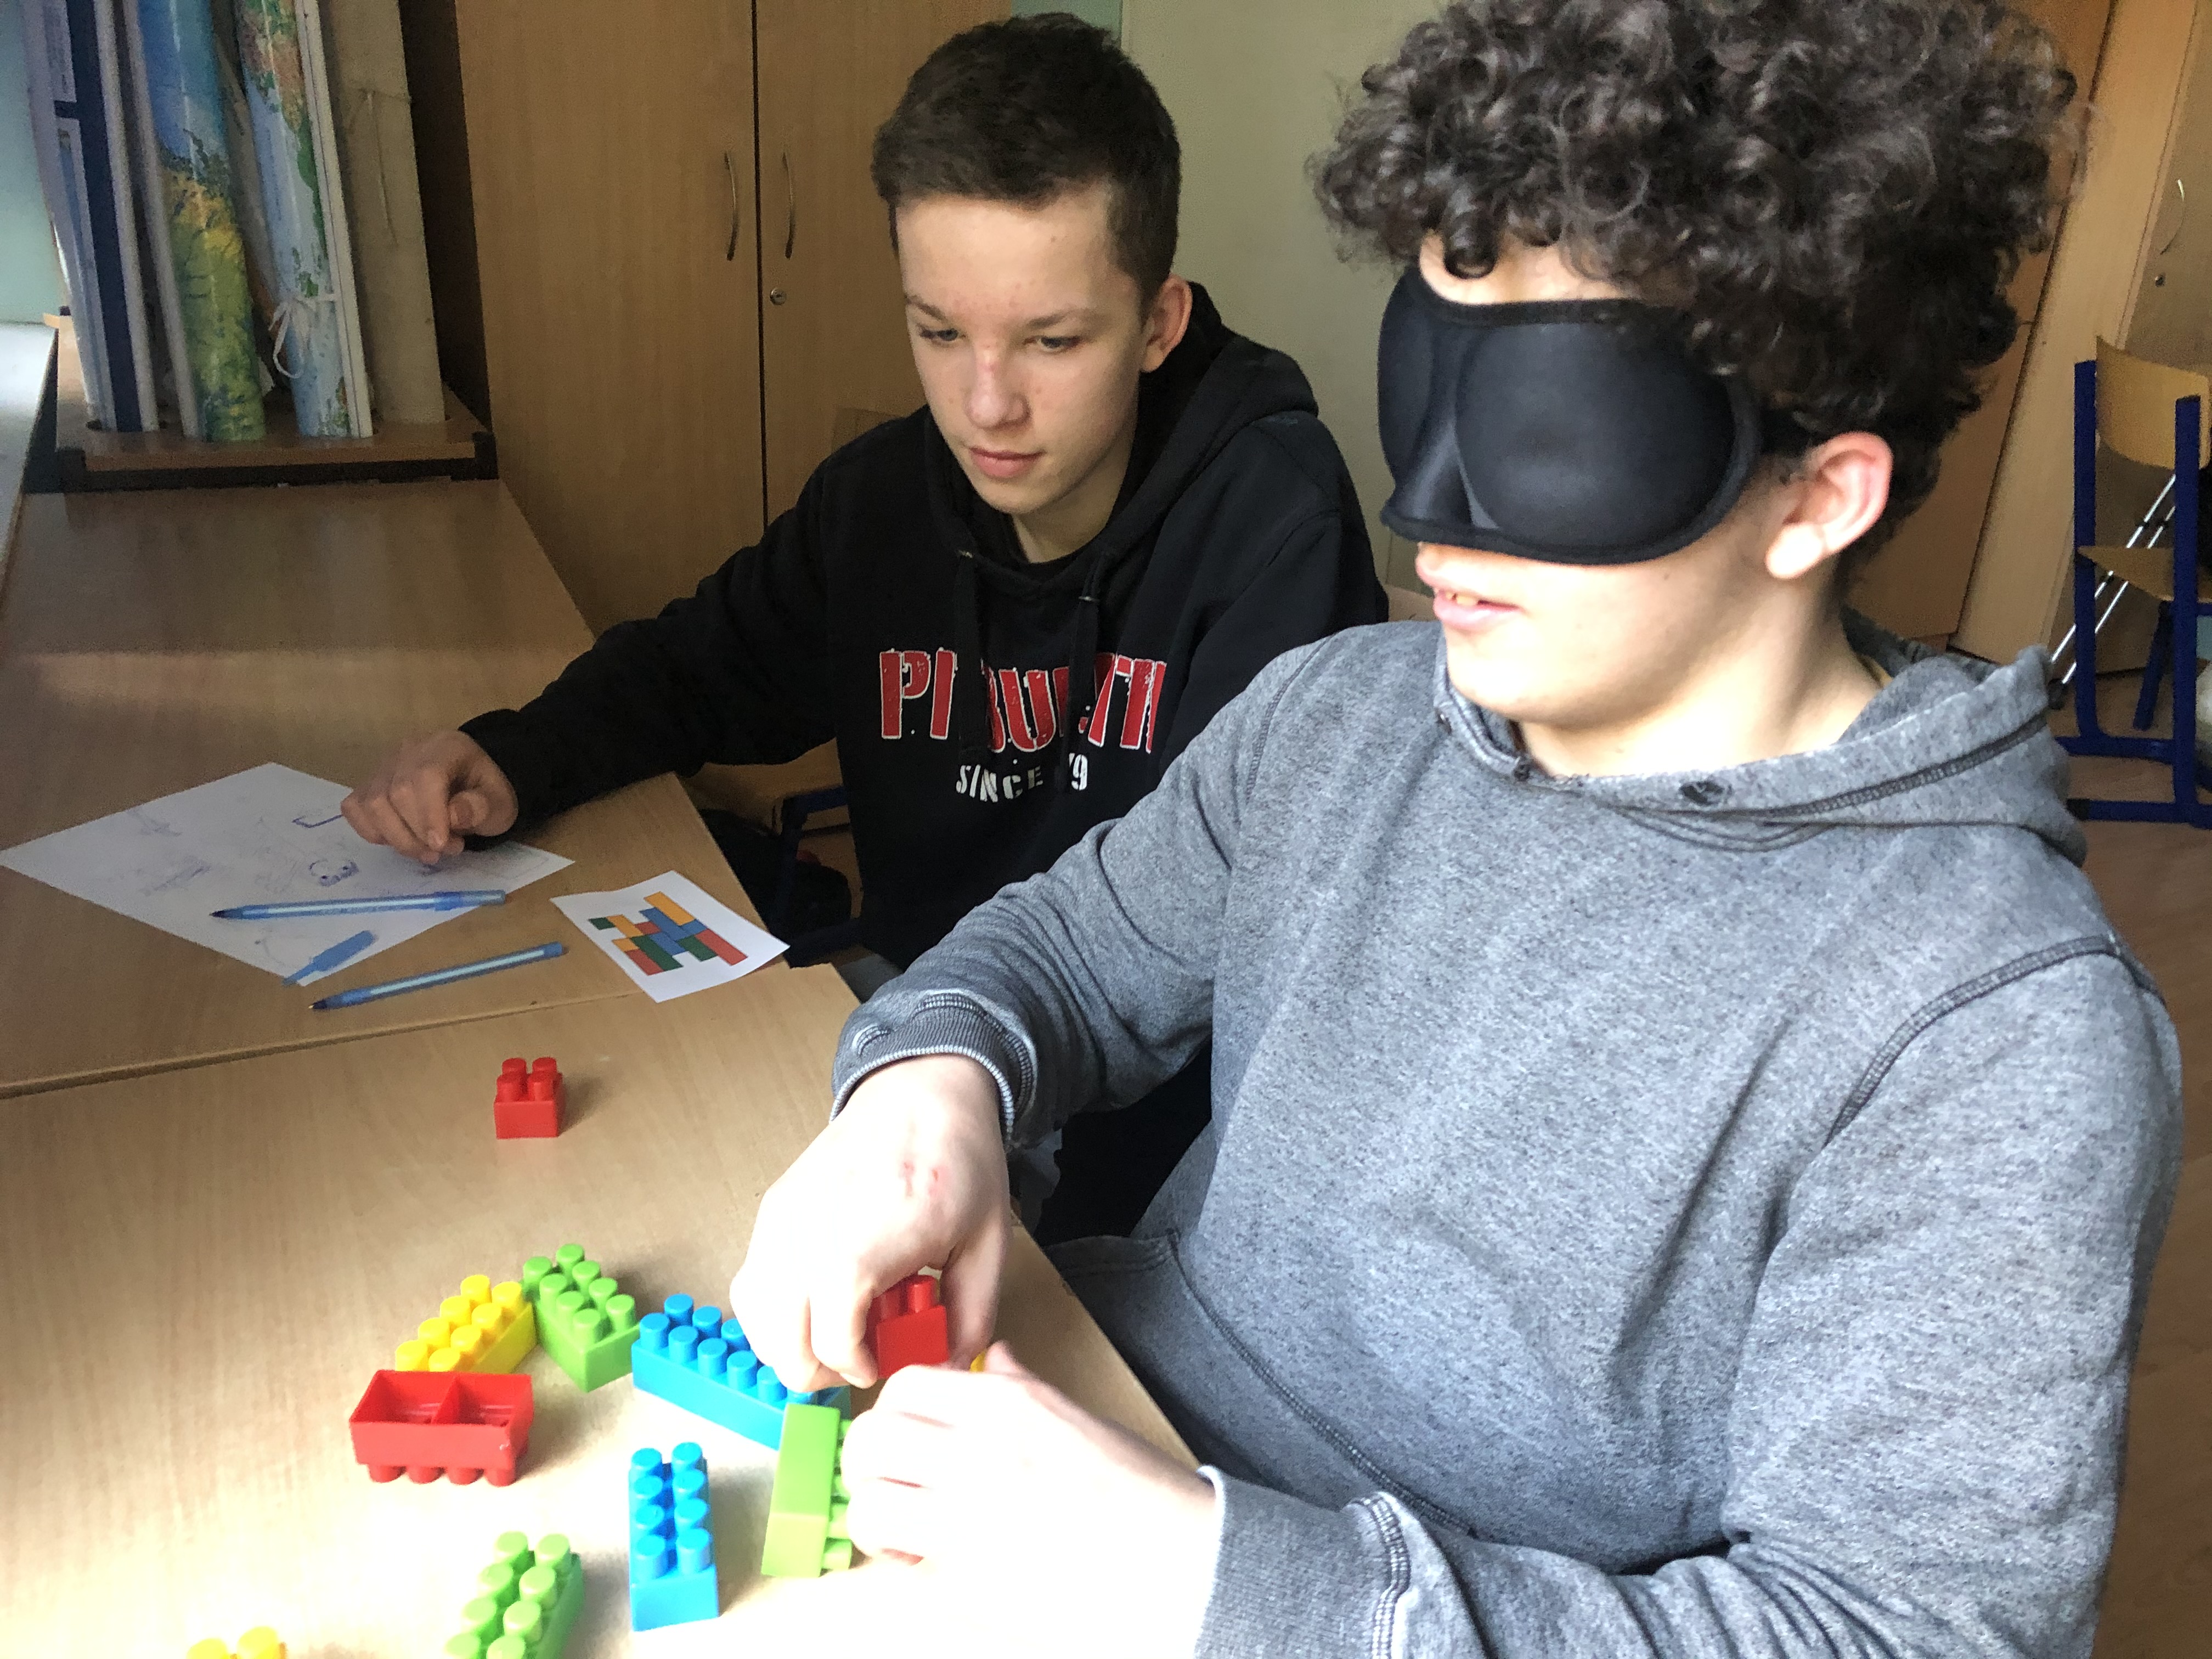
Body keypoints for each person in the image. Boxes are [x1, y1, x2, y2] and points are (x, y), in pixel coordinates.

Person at [724, 3, 2183, 1655]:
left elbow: (1898, 1633)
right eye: (1427, 384)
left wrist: (1205, 1577)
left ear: (1816, 495)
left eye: (1550, 431)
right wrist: (935, 1094)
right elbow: (1056, 951)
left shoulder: (1994, 1032)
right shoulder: (1339, 717)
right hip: (1059, 1453)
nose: (1429, 514)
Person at [341, 15, 1385, 1236]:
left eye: (1051, 342)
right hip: (914, 1053)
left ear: (1159, 324)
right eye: (939, 332)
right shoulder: (880, 500)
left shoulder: (1273, 525)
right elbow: (698, 667)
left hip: (1147, 1153)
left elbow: (1244, 952)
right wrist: (514, 751)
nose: (985, 405)